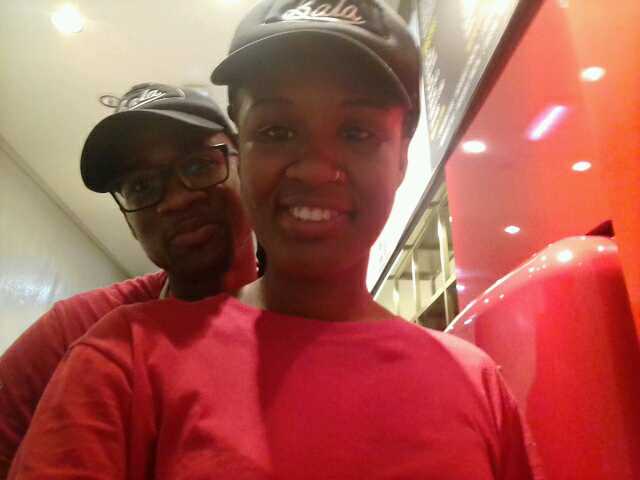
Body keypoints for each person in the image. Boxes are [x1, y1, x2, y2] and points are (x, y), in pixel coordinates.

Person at [9, 2, 541, 478]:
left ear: (402, 156)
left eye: (357, 132)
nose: (314, 168)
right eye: (276, 131)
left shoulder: (477, 386)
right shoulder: (124, 360)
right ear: (242, 150)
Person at [0, 83, 256, 477]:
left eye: (198, 165)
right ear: (130, 222)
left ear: (246, 166)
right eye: (141, 187)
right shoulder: (81, 330)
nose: (176, 200)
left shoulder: (313, 309)